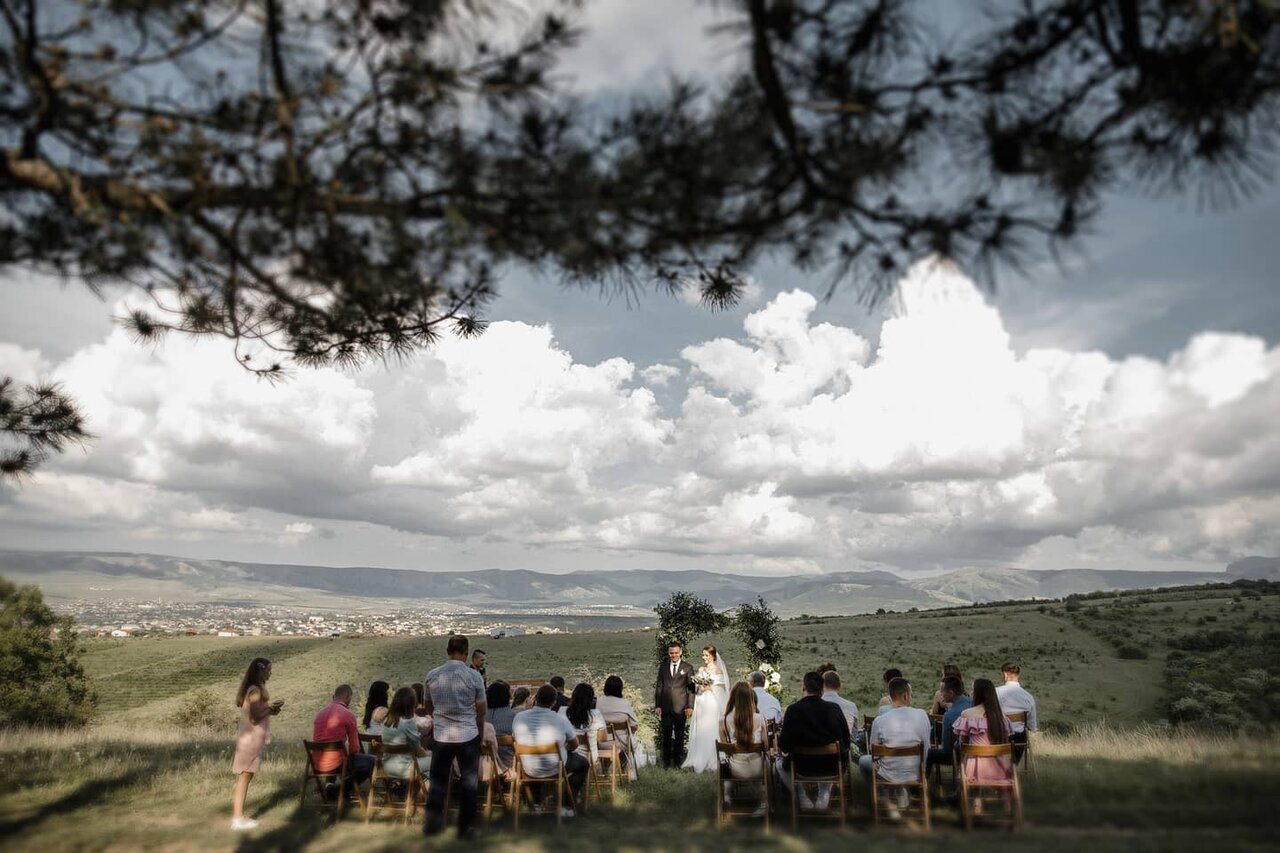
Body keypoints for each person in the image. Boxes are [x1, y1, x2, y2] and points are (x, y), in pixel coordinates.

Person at [422, 635, 487, 839]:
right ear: (466, 653)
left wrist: (439, 717)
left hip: (442, 735)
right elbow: (481, 709)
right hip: (467, 734)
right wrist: (480, 733)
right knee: (469, 783)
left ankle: (432, 825)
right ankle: (465, 828)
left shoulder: (432, 675)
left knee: (438, 781)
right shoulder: (474, 676)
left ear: (447, 651)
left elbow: (428, 705)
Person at [776, 671, 850, 812]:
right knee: (835, 757)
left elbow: (784, 746)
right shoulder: (834, 708)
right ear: (822, 690)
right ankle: (823, 794)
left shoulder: (793, 710)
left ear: (803, 687)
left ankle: (802, 795)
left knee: (778, 763)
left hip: (801, 767)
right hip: (831, 766)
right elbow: (846, 742)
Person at [858, 677, 931, 820]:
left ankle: (887, 800)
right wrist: (922, 767)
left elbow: (874, 752)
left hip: (889, 774)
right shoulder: (922, 715)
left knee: (863, 761)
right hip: (916, 771)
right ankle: (901, 791)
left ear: (891, 697)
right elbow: (926, 745)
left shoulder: (880, 720)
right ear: (906, 695)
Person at [513, 684, 589, 816]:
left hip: (528, 768)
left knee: (535, 760)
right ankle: (567, 805)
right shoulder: (561, 720)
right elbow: (575, 744)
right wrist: (563, 750)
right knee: (583, 764)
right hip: (555, 768)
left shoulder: (519, 718)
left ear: (535, 698)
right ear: (554, 702)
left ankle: (536, 803)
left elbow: (515, 739)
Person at [231, 657, 283, 831]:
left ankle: (239, 816)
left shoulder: (254, 689)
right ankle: (237, 819)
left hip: (252, 739)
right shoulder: (255, 691)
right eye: (269, 669)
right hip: (250, 740)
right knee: (244, 777)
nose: (270, 673)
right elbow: (254, 718)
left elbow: (258, 713)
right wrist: (269, 709)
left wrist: (271, 710)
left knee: (245, 776)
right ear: (261, 670)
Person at [311, 684, 375, 796]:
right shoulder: (348, 715)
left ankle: (330, 786)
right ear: (348, 697)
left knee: (334, 754)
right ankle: (343, 790)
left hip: (317, 763)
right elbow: (354, 749)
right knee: (372, 760)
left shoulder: (319, 714)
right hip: (338, 764)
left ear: (333, 696)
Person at [720, 680, 768, 817]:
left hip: (735, 770)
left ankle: (727, 797)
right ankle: (764, 803)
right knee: (769, 763)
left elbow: (725, 749)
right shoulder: (760, 718)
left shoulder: (723, 721)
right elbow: (766, 746)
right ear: (750, 698)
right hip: (758, 769)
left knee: (723, 764)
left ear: (732, 698)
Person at [954, 678, 1014, 785]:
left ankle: (962, 792)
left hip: (973, 769)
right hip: (999, 769)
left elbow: (962, 742)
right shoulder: (1002, 717)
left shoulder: (967, 714)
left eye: (973, 690)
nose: (971, 692)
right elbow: (1004, 741)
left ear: (978, 693)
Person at [682, 645, 730, 772]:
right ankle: (697, 757)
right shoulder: (701, 669)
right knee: (700, 727)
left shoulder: (718, 670)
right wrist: (700, 686)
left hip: (712, 702)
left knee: (711, 727)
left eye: (706, 655)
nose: (704, 658)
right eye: (703, 655)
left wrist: (709, 687)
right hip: (701, 701)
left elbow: (722, 689)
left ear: (713, 656)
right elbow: (696, 687)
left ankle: (712, 757)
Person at [653, 643, 697, 768]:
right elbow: (659, 686)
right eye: (671, 653)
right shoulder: (663, 667)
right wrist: (658, 705)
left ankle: (678, 762)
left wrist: (690, 706)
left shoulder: (687, 667)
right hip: (665, 706)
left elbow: (691, 689)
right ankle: (666, 762)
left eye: (676, 653)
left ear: (681, 652)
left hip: (681, 707)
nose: (674, 655)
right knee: (666, 735)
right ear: (669, 653)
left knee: (679, 736)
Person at [381, 685, 432, 779]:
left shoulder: (386, 720)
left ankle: (418, 786)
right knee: (436, 761)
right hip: (405, 769)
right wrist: (428, 754)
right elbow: (419, 751)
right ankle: (426, 787)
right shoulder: (408, 723)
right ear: (412, 704)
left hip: (386, 767)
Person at [926, 676, 971, 772]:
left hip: (957, 755)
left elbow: (946, 749)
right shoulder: (972, 702)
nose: (940, 694)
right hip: (974, 752)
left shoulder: (949, 715)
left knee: (930, 753)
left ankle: (923, 780)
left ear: (951, 693)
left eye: (942, 691)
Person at [595, 675, 639, 774]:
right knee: (630, 743)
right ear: (620, 689)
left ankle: (605, 769)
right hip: (622, 743)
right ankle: (623, 769)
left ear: (606, 688)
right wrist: (629, 731)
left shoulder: (598, 702)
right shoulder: (625, 703)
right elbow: (634, 724)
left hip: (602, 742)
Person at [995, 662, 1037, 763]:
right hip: (1019, 741)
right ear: (1018, 675)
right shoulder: (1028, 696)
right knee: (1023, 734)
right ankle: (1013, 765)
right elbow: (1032, 726)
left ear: (1005, 674)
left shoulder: (996, 692)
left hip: (1000, 739)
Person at [561, 683, 607, 771]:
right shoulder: (595, 714)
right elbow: (603, 738)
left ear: (573, 697)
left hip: (565, 755)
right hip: (588, 756)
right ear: (591, 699)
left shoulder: (562, 711)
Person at [820, 670, 860, 740]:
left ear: (821, 686)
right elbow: (854, 734)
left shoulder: (813, 705)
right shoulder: (851, 706)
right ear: (839, 686)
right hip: (844, 745)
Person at [487, 681, 518, 770]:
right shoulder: (513, 715)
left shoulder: (481, 716)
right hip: (509, 761)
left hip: (486, 763)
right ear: (507, 696)